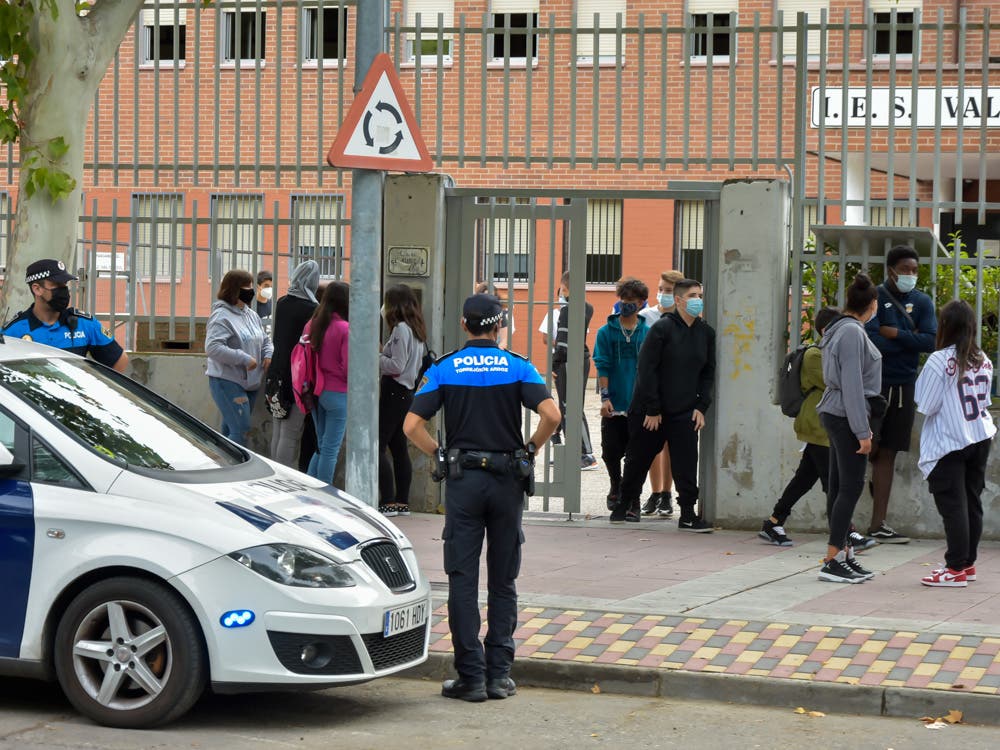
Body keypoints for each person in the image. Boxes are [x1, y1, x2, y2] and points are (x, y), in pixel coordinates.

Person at [403, 293, 560, 703]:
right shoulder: (518, 366)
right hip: (508, 480)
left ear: (464, 323)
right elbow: (553, 416)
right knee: (503, 580)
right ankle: (499, 676)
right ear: (499, 324)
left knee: (463, 579)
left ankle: (471, 678)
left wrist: (437, 454)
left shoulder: (445, 367)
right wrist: (530, 450)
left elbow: (411, 425)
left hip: (464, 483)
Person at [615, 279, 716, 530]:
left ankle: (687, 514)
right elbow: (646, 369)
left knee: (686, 460)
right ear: (680, 301)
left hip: (685, 410)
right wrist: (653, 408)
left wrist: (701, 406)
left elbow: (708, 373)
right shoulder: (662, 329)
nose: (698, 300)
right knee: (638, 459)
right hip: (652, 411)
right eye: (693, 295)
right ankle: (625, 503)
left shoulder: (706, 333)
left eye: (700, 295)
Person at [914, 300, 996, 588]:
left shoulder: (939, 361)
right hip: (979, 435)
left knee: (954, 506)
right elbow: (983, 400)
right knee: (971, 502)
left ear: (945, 327)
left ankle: (954, 568)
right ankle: (967, 563)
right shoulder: (983, 358)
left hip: (950, 440)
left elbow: (926, 404)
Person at [864, 245, 937, 544]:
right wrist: (909, 340)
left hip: (905, 385)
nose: (911, 275)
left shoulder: (922, 302)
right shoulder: (876, 298)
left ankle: (878, 523)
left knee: (889, 452)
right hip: (874, 385)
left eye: (915, 270)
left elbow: (930, 341)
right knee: (868, 447)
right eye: (905, 270)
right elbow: (870, 340)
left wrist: (894, 334)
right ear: (891, 270)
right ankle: (843, 522)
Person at [816, 273, 882, 583]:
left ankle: (844, 554)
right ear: (872, 304)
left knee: (839, 484)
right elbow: (853, 386)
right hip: (846, 416)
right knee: (850, 487)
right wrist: (863, 432)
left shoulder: (840, 328)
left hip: (835, 412)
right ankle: (832, 559)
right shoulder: (853, 333)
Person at [759, 306, 840, 546]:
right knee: (832, 482)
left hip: (825, 426)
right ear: (826, 330)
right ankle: (845, 532)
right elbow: (833, 383)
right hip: (816, 424)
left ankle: (774, 522)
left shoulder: (830, 353)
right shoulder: (815, 355)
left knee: (805, 478)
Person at [4, 259, 128, 373]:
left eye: (64, 285)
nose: (64, 290)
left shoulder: (84, 324)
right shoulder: (13, 331)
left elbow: (119, 361)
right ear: (37, 289)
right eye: (57, 285)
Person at [593, 277, 650, 515]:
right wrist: (605, 398)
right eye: (624, 299)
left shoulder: (648, 333)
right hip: (614, 403)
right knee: (610, 451)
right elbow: (602, 364)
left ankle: (632, 499)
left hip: (638, 404)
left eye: (632, 300)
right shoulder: (606, 332)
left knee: (636, 456)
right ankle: (615, 484)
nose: (627, 304)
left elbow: (651, 369)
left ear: (641, 303)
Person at [205, 269, 273, 447]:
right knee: (241, 429)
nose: (251, 291)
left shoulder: (250, 314)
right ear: (234, 289)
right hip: (228, 380)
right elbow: (212, 347)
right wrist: (243, 358)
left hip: (251, 382)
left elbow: (265, 339)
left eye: (251, 286)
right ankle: (235, 470)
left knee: (231, 430)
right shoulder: (221, 316)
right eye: (246, 287)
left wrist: (268, 354)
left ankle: (222, 467)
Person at [638, 269, 685, 516]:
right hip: (651, 389)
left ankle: (667, 493)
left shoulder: (685, 319)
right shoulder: (645, 317)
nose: (663, 294)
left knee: (670, 446)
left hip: (675, 390)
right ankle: (654, 492)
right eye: (661, 289)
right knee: (652, 444)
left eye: (668, 290)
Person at [378, 284, 428, 517]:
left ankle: (387, 501)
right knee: (398, 448)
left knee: (378, 447)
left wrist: (374, 357)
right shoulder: (415, 329)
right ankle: (401, 502)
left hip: (394, 392)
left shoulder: (400, 329)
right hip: (406, 394)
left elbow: (396, 366)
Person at [266, 260, 320, 468]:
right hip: (298, 376)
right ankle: (284, 477)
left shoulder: (281, 302)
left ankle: (274, 472)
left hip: (276, 372)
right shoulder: (313, 309)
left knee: (278, 428)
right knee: (291, 433)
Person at [302, 281, 350, 484]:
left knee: (322, 447)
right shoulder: (344, 329)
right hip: (339, 393)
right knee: (330, 449)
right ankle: (325, 495)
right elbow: (350, 369)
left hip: (316, 391)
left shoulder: (314, 324)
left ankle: (310, 489)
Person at [552, 271, 597, 470]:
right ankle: (574, 452)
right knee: (569, 407)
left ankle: (586, 454)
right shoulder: (587, 307)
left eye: (561, 288)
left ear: (566, 287)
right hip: (580, 359)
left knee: (571, 407)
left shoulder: (567, 310)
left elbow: (562, 342)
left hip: (568, 361)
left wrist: (554, 364)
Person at [253, 270, 274, 334]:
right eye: (266, 286)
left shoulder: (273, 305)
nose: (269, 289)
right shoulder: (250, 306)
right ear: (257, 286)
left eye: (271, 286)